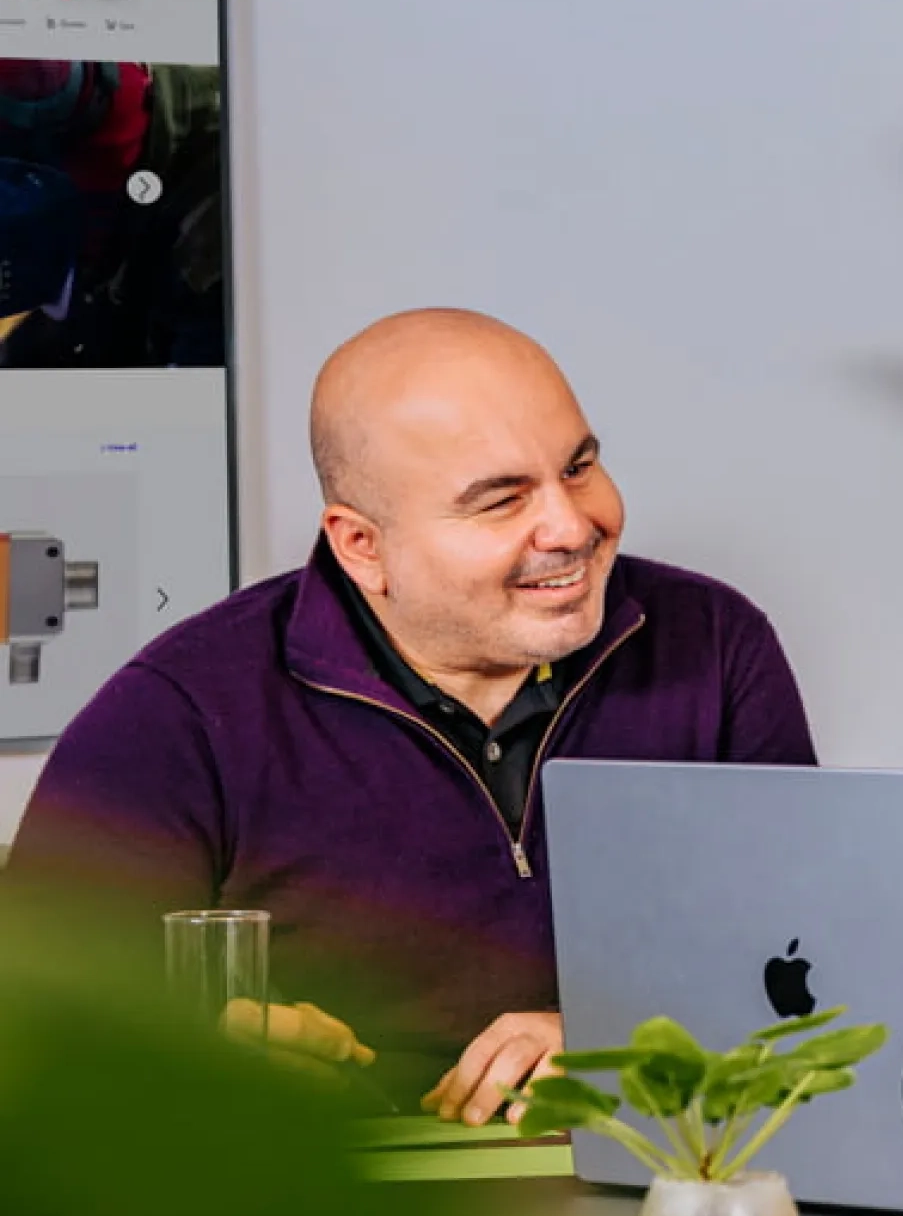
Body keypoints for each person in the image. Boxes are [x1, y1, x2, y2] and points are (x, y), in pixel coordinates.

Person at [8, 308, 815, 1120]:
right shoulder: (177, 715)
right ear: (362, 545)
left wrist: (629, 1038)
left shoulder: (714, 645)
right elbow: (35, 1042)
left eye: (578, 467)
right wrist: (203, 1066)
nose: (573, 527)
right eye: (501, 501)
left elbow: (819, 965)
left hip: (663, 1189)